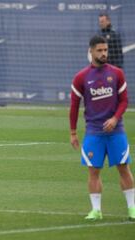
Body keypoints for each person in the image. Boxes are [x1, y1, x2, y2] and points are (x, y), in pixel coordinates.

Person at [70, 35, 134, 220]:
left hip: (116, 132)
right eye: (100, 50)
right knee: (93, 171)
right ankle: (96, 211)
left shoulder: (117, 73)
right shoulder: (81, 77)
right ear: (91, 51)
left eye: (105, 50)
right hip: (93, 132)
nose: (104, 53)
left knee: (124, 168)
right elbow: (74, 106)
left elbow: (124, 101)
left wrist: (115, 119)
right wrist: (73, 132)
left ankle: (132, 208)